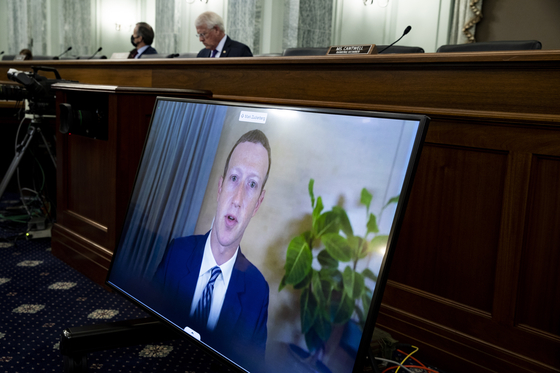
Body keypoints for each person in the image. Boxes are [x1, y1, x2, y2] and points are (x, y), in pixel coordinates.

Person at [153, 129, 270, 372]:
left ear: (258, 203)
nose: (237, 199)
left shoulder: (258, 293)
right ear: (220, 187)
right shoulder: (177, 252)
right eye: (234, 178)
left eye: (251, 184)